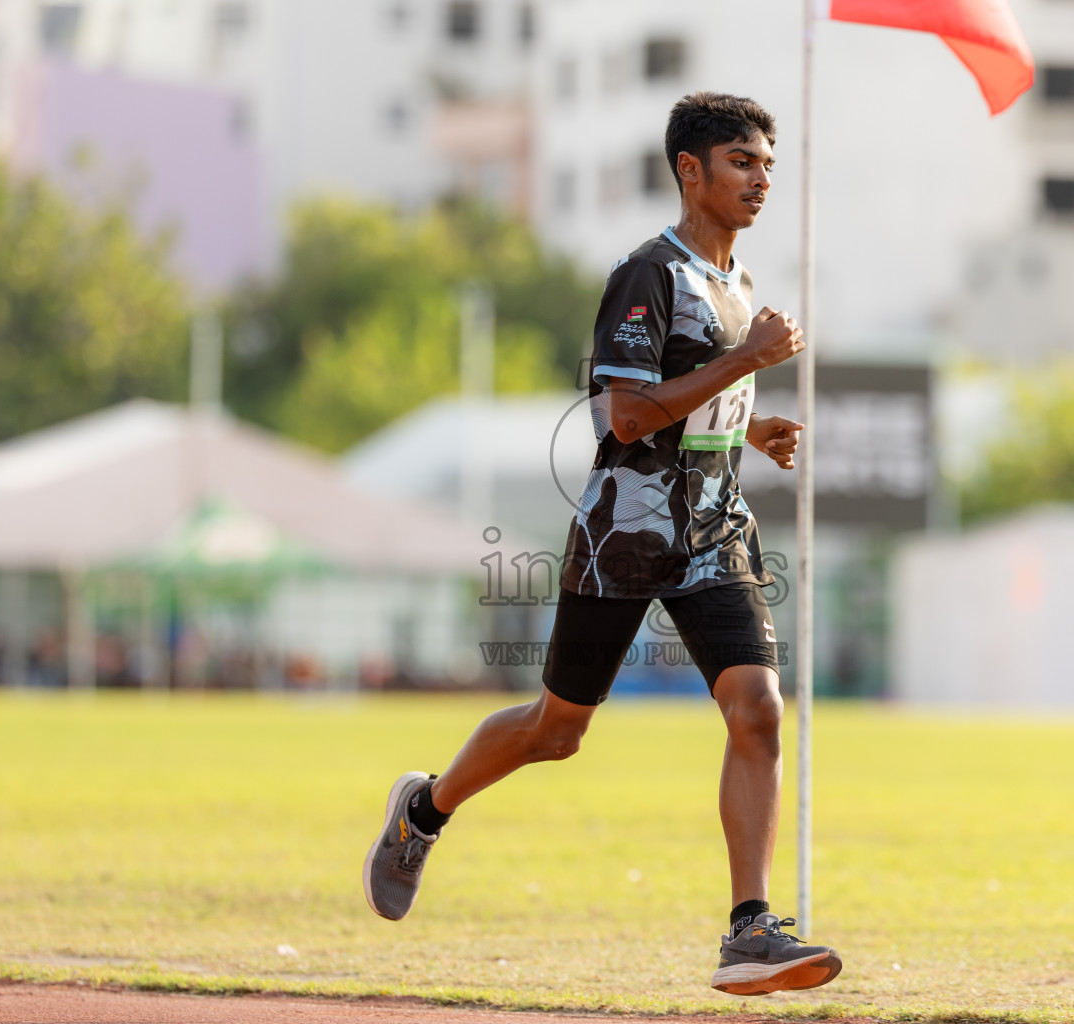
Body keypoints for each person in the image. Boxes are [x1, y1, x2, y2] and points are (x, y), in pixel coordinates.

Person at [363, 92, 841, 997]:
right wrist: (746, 364)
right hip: (627, 529)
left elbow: (685, 402)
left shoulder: (736, 283)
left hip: (714, 529)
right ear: (689, 171)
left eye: (769, 164)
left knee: (759, 711)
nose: (762, 179)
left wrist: (749, 428)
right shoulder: (647, 275)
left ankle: (749, 932)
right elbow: (623, 416)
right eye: (742, 161)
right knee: (557, 732)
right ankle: (423, 809)